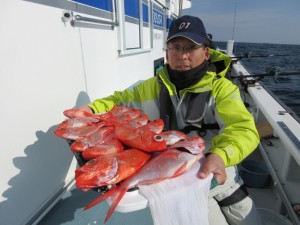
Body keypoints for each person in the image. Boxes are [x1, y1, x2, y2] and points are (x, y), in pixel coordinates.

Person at [78, 15, 262, 225]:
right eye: (176, 47)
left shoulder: (222, 89)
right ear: (167, 52)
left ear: (206, 52)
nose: (182, 55)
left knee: (249, 219)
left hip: (221, 171)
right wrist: (90, 110)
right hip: (181, 183)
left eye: (190, 47)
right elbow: (117, 101)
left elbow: (243, 130)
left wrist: (220, 155)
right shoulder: (149, 87)